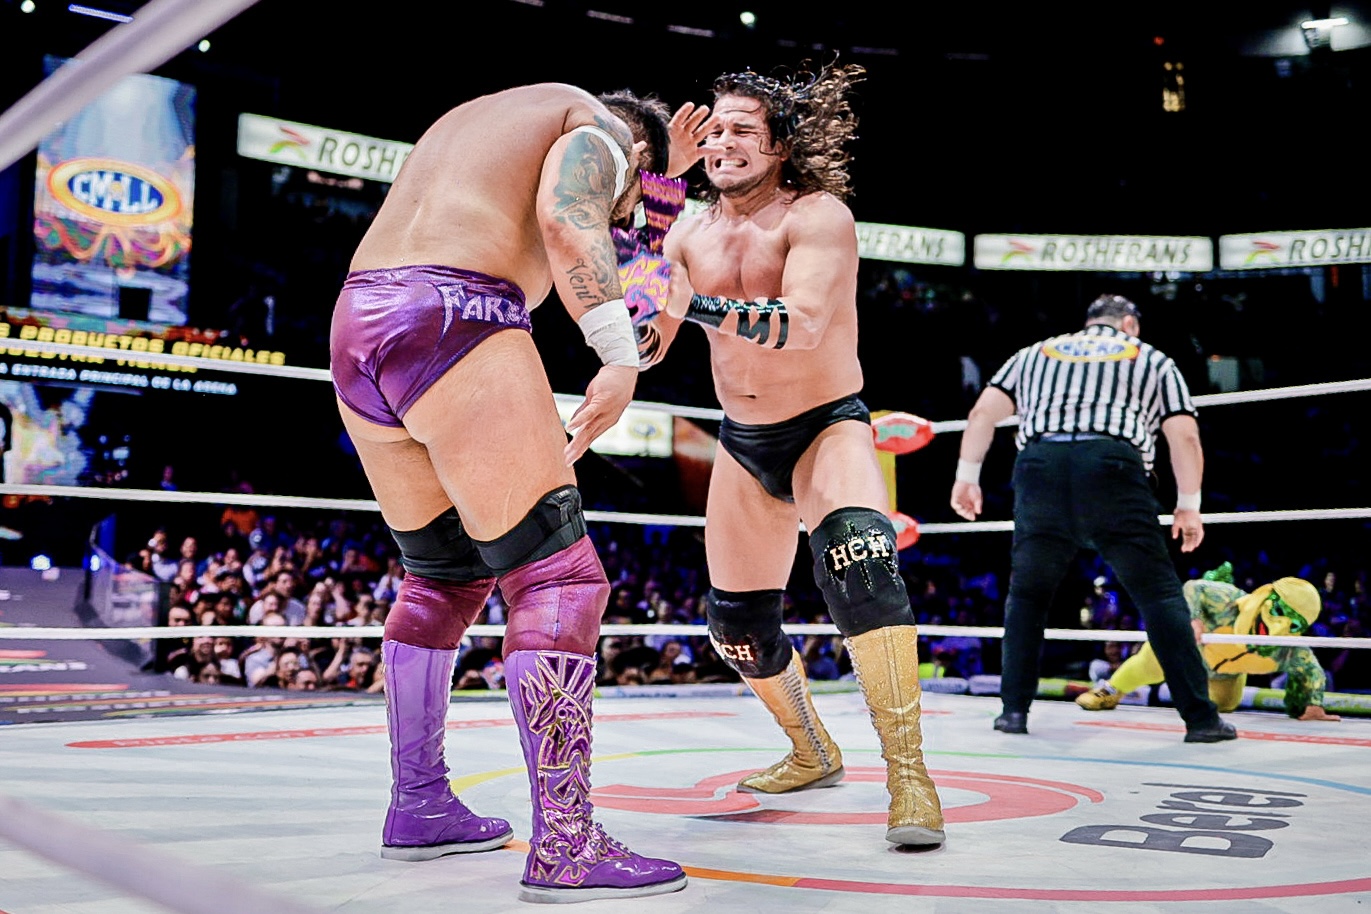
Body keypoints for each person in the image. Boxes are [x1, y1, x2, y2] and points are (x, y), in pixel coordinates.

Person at [328, 81, 716, 901]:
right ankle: (568, 845)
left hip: (359, 320)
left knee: (442, 577)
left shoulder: (488, 120)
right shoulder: (594, 127)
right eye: (630, 200)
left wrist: (663, 184)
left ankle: (420, 805)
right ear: (632, 153)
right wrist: (618, 358)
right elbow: (572, 222)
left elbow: (610, 231)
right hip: (456, 313)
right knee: (559, 579)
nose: (624, 219)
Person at [640, 60, 945, 849]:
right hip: (742, 439)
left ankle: (908, 776)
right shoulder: (685, 230)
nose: (722, 139)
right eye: (714, 127)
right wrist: (653, 203)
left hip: (825, 425)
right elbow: (647, 333)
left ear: (779, 144)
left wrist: (694, 305)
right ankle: (810, 749)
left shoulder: (817, 215)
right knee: (734, 624)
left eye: (742, 128)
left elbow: (803, 323)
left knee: (862, 571)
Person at [950, 293, 1237, 743]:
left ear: (1088, 323)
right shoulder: (1149, 357)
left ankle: (1013, 712)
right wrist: (1189, 504)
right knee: (1159, 595)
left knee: (1027, 596)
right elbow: (1184, 435)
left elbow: (983, 412)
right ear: (1130, 325)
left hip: (1040, 469)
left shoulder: (1035, 353)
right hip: (1111, 470)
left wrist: (967, 478)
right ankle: (1201, 721)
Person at [1078, 562, 1341, 721]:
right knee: (1151, 661)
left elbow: (1310, 668)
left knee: (1224, 706)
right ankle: (1109, 691)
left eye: (1294, 624)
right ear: (1266, 595)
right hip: (1189, 647)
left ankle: (1191, 699)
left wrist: (1312, 704)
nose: (1280, 625)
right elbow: (1193, 587)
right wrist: (1194, 618)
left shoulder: (1284, 649)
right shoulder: (1227, 599)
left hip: (1224, 674)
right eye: (1279, 610)